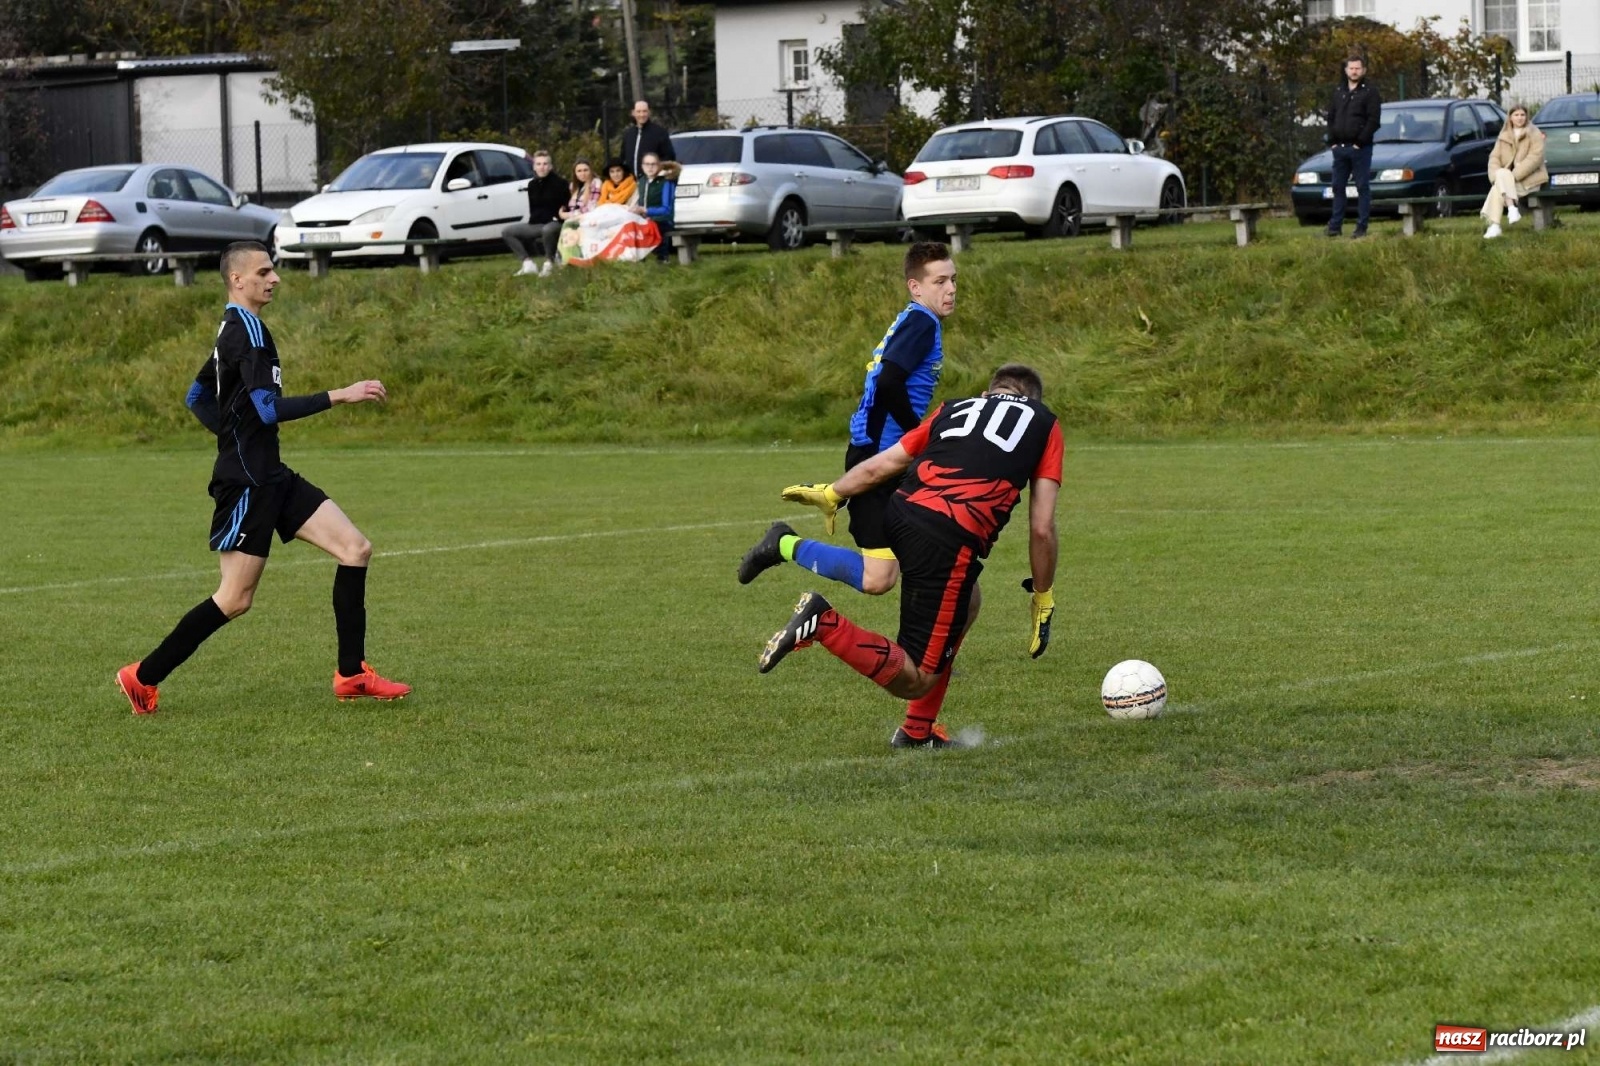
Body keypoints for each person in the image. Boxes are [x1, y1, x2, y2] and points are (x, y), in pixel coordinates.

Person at [114, 241, 411, 715]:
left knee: (355, 549)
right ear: (237, 280)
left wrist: (235, 436)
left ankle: (352, 674)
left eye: (274, 271)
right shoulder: (245, 333)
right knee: (234, 599)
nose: (274, 279)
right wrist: (342, 394)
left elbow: (197, 396)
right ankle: (141, 676)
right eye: (264, 272)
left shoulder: (236, 329)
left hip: (270, 474)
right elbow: (267, 410)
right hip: (248, 484)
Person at [754, 364, 1062, 749]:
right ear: (1033, 400)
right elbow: (1042, 528)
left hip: (900, 513)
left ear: (990, 393)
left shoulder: (954, 407)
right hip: (945, 536)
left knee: (968, 601)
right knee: (916, 678)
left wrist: (833, 493)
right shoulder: (1045, 423)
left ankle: (917, 732)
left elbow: (885, 465)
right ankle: (823, 622)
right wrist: (1043, 596)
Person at [739, 242, 956, 596]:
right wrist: (917, 434)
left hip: (886, 453)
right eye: (940, 281)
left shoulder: (916, 319)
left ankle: (932, 640)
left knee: (937, 548)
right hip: (880, 458)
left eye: (953, 280)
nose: (950, 289)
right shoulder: (922, 323)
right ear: (915, 287)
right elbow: (888, 381)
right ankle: (784, 544)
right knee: (878, 578)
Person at [1325, 54, 1382, 240]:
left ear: (1363, 70)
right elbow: (1331, 117)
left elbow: (1373, 120)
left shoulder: (1370, 92)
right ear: (1346, 70)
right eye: (1351, 68)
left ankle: (1361, 227)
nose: (1354, 71)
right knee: (1337, 187)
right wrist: (1332, 141)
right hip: (1339, 149)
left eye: (1358, 68)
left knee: (1362, 187)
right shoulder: (1338, 91)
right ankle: (1335, 227)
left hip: (1360, 149)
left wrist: (1360, 142)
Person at [1481, 105, 1547, 240]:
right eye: (1516, 115)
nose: (1520, 118)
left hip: (1529, 179)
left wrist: (1514, 175)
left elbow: (1535, 158)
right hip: (1507, 181)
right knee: (1500, 176)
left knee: (1497, 189)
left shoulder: (1534, 133)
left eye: (1522, 115)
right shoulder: (1504, 135)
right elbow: (1494, 158)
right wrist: (1495, 175)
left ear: (1526, 116)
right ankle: (1511, 210)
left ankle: (1495, 225)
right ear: (1510, 118)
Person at [503, 150, 570, 277]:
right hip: (537, 223)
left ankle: (549, 262)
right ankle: (528, 264)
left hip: (556, 223)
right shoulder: (532, 184)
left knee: (547, 230)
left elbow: (564, 208)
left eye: (545, 164)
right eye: (538, 164)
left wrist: (555, 216)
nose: (542, 167)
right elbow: (534, 210)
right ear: (534, 166)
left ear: (550, 166)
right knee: (508, 231)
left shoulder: (561, 183)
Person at [630, 153, 680, 263]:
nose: (650, 167)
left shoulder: (666, 181)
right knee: (631, 226)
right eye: (647, 164)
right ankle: (638, 259)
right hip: (645, 218)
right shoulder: (642, 181)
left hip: (664, 219)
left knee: (654, 226)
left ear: (659, 165)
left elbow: (666, 209)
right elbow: (638, 200)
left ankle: (662, 258)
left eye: (653, 164)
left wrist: (646, 211)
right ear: (642, 166)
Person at [556, 159, 603, 264]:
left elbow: (592, 206)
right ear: (575, 173)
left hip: (589, 217)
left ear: (591, 171)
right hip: (575, 218)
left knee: (567, 225)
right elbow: (572, 206)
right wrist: (566, 213)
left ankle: (568, 259)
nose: (583, 174)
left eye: (586, 170)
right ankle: (567, 257)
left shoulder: (596, 183)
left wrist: (567, 215)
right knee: (567, 226)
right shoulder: (573, 186)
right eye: (579, 171)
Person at [619, 99, 674, 178]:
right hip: (631, 182)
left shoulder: (659, 133)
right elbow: (623, 157)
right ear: (633, 113)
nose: (642, 115)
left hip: (653, 181)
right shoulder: (628, 134)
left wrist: (656, 172)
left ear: (649, 112)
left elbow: (668, 156)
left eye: (644, 111)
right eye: (638, 111)